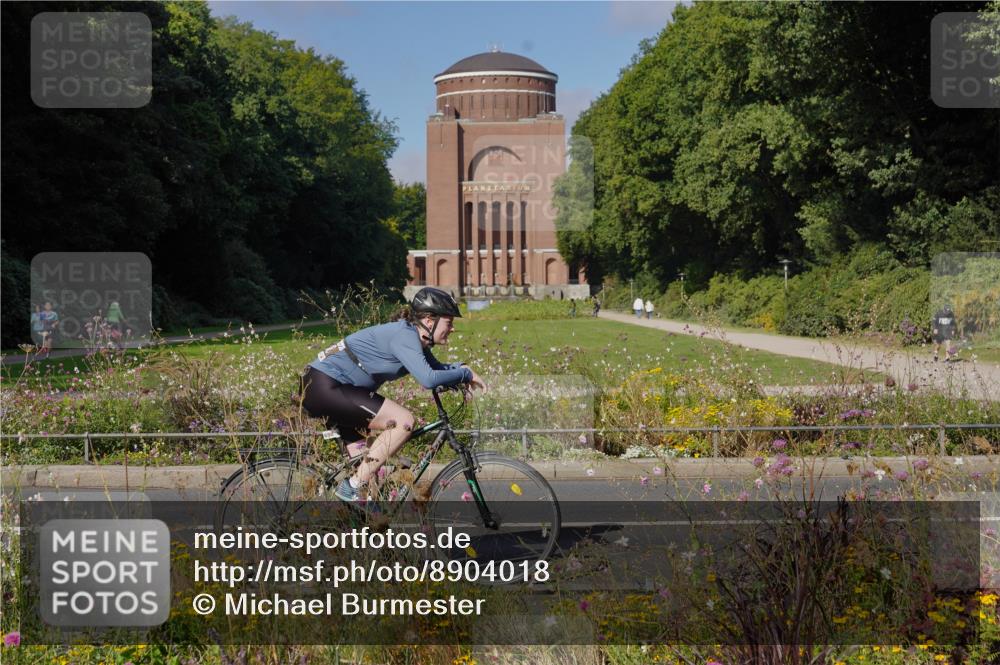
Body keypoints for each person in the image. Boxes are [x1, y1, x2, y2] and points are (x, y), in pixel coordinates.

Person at [299, 287, 486, 506]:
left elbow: (436, 368)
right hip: (325, 385)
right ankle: (352, 486)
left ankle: (357, 523)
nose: (452, 329)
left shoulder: (413, 338)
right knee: (404, 422)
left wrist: (460, 371)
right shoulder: (404, 335)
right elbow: (429, 379)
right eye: (449, 322)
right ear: (428, 320)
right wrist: (465, 373)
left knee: (372, 466)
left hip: (329, 386)